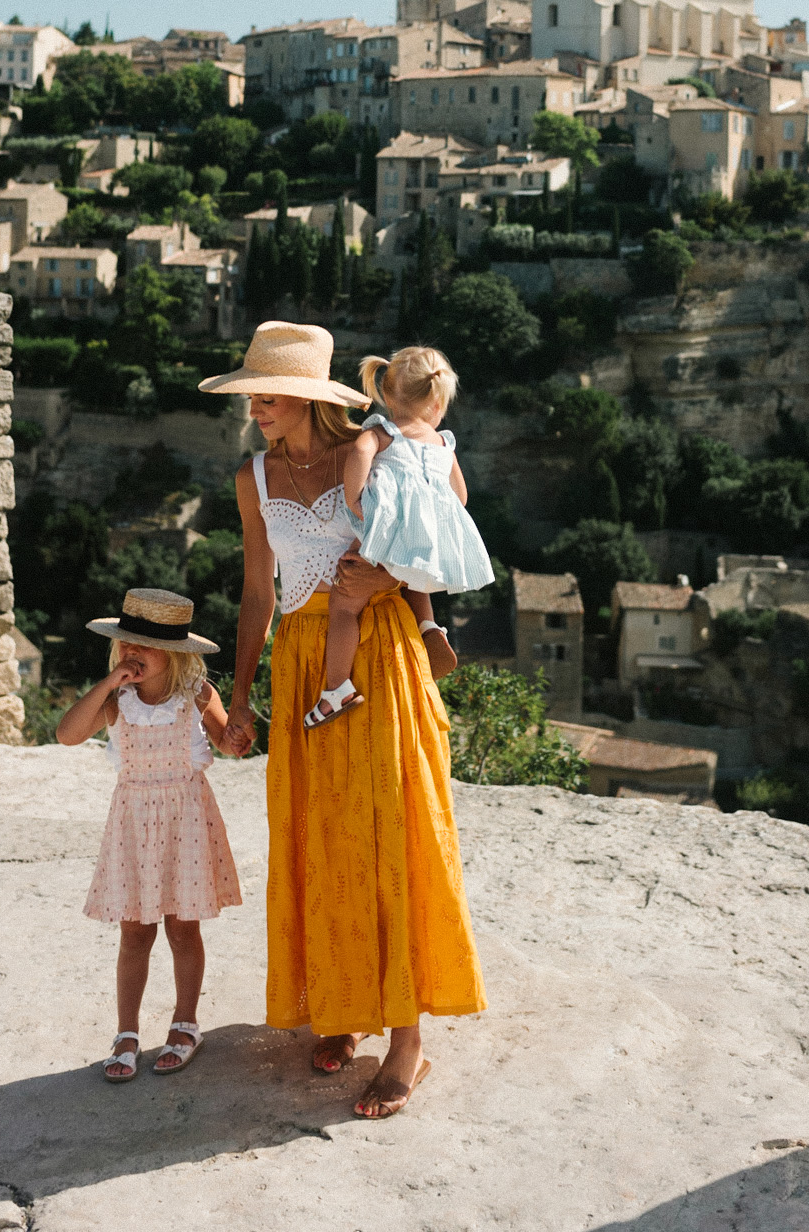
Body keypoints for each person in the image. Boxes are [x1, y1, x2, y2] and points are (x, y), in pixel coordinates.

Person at [201, 321, 487, 1119]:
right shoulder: (253, 476)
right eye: (251, 392)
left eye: (270, 392)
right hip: (302, 667)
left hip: (382, 656)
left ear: (308, 396)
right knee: (324, 841)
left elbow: (441, 534)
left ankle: (407, 1043)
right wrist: (245, 691)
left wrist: (384, 582)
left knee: (391, 835)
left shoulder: (376, 448)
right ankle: (346, 1008)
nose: (256, 405)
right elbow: (259, 589)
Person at [55, 586, 241, 1083]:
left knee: (183, 928)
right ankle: (126, 1032)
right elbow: (68, 735)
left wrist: (237, 734)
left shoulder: (197, 695)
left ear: (176, 655)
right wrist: (110, 681)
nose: (134, 653)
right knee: (135, 931)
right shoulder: (118, 701)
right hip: (133, 824)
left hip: (186, 822)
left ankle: (185, 1025)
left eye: (146, 645)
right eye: (127, 644)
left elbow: (228, 743)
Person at [303, 344, 493, 731]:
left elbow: (359, 450)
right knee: (413, 567)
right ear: (438, 403)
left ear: (387, 395)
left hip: (383, 532)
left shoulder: (383, 431)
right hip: (422, 542)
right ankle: (428, 627)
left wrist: (356, 500)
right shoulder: (444, 444)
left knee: (343, 605)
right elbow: (461, 496)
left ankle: (336, 688)